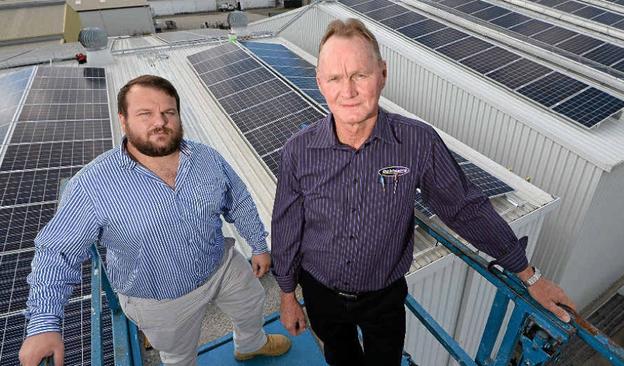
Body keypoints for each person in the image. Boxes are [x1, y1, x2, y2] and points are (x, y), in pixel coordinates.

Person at [271, 18, 575, 366]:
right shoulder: (299, 151)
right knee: (340, 356)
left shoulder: (418, 142)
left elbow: (463, 208)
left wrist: (529, 275)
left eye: (360, 75)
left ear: (382, 74)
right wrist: (287, 295)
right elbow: (286, 226)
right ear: (321, 84)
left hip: (383, 298)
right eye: (336, 78)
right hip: (320, 291)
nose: (348, 90)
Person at [19, 75, 290, 366]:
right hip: (159, 299)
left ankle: (250, 344)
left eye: (168, 112)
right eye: (145, 114)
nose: (159, 122)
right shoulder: (92, 185)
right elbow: (57, 252)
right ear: (123, 120)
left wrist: (259, 245)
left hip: (221, 265)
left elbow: (239, 200)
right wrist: (45, 323)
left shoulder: (207, 158)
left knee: (252, 304)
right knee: (178, 356)